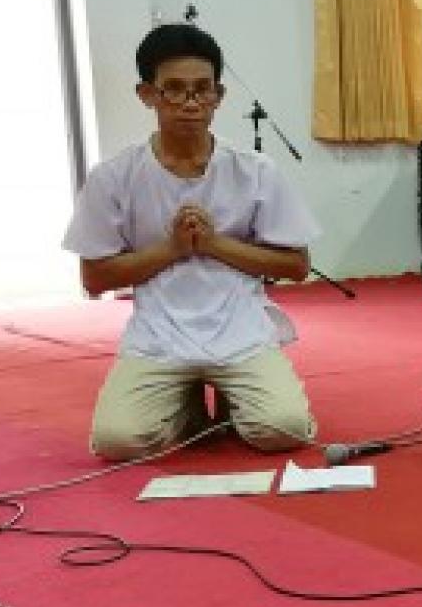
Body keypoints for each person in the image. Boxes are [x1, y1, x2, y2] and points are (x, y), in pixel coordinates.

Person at [62, 23, 319, 461]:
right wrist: (173, 248)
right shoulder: (114, 177)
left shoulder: (255, 170)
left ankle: (231, 401)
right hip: (158, 338)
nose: (191, 102)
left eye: (203, 90)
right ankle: (187, 407)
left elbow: (296, 266)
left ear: (219, 95)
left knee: (283, 429)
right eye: (174, 90)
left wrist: (214, 243)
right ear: (147, 94)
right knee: (118, 441)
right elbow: (95, 277)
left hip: (240, 332)